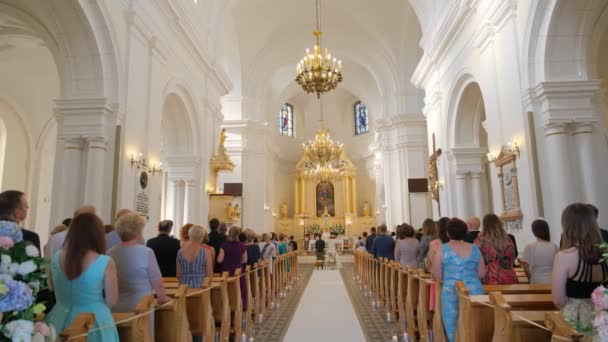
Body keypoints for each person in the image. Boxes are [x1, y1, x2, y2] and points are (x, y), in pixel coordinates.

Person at [46, 213, 119, 341]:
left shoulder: (56, 257)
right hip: (94, 319)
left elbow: (51, 287)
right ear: (97, 234)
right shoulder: (105, 261)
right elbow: (112, 300)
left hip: (59, 316)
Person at [108, 213, 169, 340]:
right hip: (141, 306)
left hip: (116, 307)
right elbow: (157, 282)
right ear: (138, 231)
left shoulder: (111, 252)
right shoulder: (146, 252)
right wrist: (162, 298)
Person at [553, 203, 608, 336]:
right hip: (603, 318)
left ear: (568, 225)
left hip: (574, 320)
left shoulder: (564, 256)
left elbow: (558, 300)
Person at [432, 218, 485, 342]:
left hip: (451, 293)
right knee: (474, 327)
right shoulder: (475, 248)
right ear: (465, 232)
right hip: (475, 293)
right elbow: (482, 274)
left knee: (453, 329)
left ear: (448, 233)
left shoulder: (441, 249)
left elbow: (437, 275)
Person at [474, 214, 517, 285]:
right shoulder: (508, 240)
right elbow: (512, 258)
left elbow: (475, 261)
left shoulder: (479, 241)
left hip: (488, 277)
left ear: (484, 225)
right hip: (508, 276)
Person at [218, 226, 248, 311]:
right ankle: (240, 308)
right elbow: (245, 260)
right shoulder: (242, 246)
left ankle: (226, 310)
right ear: (238, 234)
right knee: (239, 290)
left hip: (226, 272)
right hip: (238, 271)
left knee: (226, 292)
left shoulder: (224, 245)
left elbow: (220, 260)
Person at [520, 219, 558, 284]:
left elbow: (526, 268)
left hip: (536, 281)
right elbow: (557, 266)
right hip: (552, 281)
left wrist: (530, 279)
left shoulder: (529, 246)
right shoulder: (554, 246)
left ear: (534, 231)